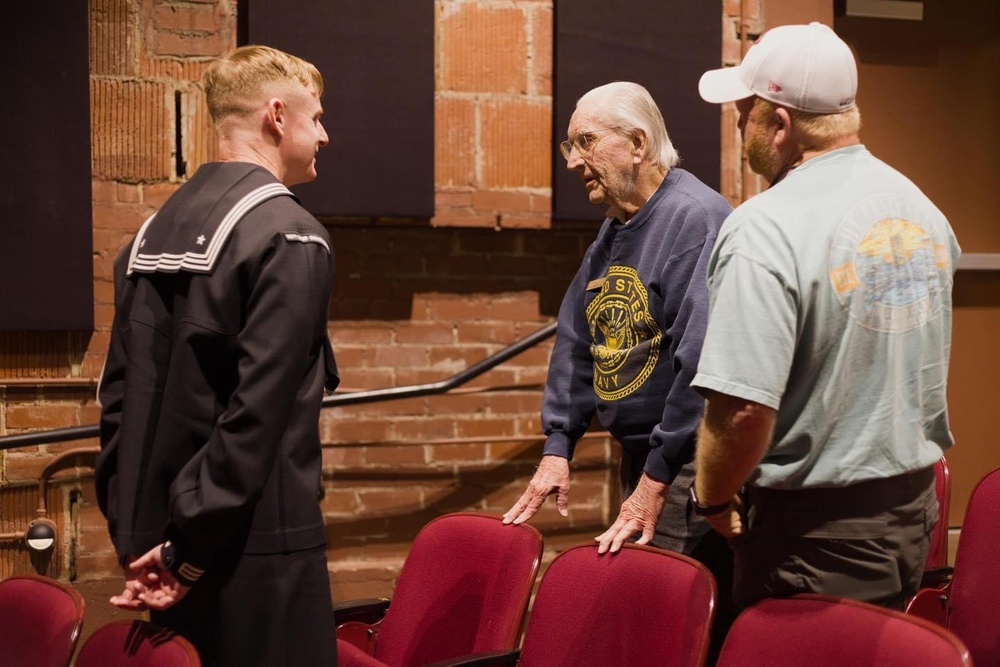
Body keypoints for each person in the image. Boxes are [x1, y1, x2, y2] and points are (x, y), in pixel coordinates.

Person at [691, 22, 960, 612]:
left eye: (744, 112)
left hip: (812, 535)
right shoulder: (923, 212)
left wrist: (712, 498)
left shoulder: (764, 227)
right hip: (913, 515)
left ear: (779, 124)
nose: (739, 129)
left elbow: (741, 409)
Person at [95, 45, 339, 666]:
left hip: (163, 550)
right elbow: (258, 413)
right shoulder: (291, 232)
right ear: (277, 117)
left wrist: (144, 537)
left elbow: (118, 398)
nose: (325, 136)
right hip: (255, 545)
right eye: (317, 119)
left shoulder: (152, 231)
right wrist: (193, 546)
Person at [502, 80, 734, 603]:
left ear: (637, 143)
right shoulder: (617, 227)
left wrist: (656, 477)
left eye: (585, 142)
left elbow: (700, 361)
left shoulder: (696, 217)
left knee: (667, 612)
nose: (572, 161)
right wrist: (558, 446)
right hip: (647, 457)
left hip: (685, 460)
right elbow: (577, 337)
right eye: (569, 146)